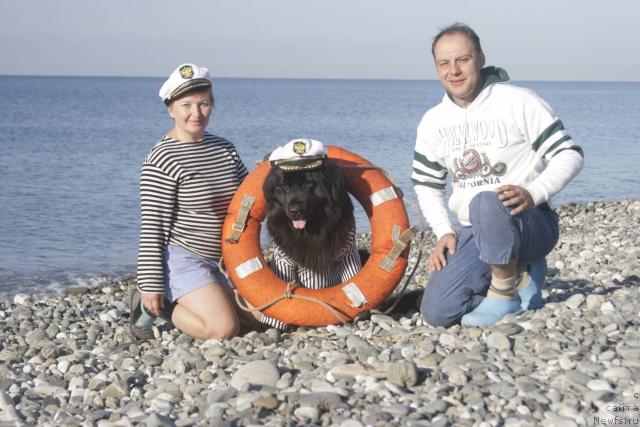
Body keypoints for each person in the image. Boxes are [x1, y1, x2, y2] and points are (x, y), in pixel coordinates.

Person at [411, 24, 584, 327]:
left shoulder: (518, 101)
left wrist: (534, 192)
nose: (454, 70)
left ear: (480, 58)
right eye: (444, 63)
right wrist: (443, 232)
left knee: (486, 201)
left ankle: (504, 292)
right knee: (437, 313)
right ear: (437, 68)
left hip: (527, 221)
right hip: (474, 232)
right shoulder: (432, 122)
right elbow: (426, 184)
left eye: (462, 60)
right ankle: (519, 280)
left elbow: (569, 154)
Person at [130, 63, 249, 340]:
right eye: (186, 105)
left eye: (204, 104)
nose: (196, 114)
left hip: (223, 257)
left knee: (261, 319)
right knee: (224, 329)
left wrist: (276, 169)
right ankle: (156, 307)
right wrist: (150, 284)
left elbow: (248, 196)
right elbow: (152, 227)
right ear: (171, 109)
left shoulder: (224, 149)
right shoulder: (162, 159)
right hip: (183, 257)